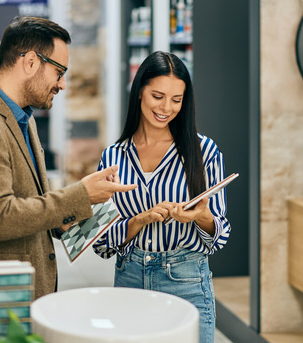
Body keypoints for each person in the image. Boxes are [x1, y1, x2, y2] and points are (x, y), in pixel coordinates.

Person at [0, 16, 136, 297]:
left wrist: (70, 217)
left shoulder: (23, 119)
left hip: (20, 295)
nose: (63, 85)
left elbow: (28, 203)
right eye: (59, 72)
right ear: (31, 62)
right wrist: (79, 194)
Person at [93, 51, 230, 343]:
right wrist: (139, 221)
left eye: (176, 100)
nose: (166, 107)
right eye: (158, 96)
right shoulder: (113, 158)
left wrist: (201, 216)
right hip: (130, 277)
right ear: (140, 90)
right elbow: (101, 242)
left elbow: (219, 236)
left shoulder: (203, 152)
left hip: (187, 279)